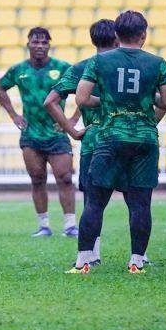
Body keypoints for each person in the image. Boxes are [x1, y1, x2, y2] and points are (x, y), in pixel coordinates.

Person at [68, 10, 166, 275]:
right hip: (144, 139)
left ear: (116, 35)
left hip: (109, 137)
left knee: (95, 201)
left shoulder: (100, 61)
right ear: (143, 35)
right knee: (140, 203)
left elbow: (81, 99)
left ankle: (83, 261)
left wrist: (108, 103)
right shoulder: (158, 63)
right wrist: (146, 102)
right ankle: (137, 260)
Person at [44, 19, 118, 262]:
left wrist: (73, 131)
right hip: (129, 136)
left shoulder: (82, 67)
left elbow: (50, 102)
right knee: (137, 199)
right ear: (118, 38)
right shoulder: (130, 67)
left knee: (92, 201)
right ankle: (139, 256)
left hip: (94, 140)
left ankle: (91, 254)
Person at [0, 27, 75, 237]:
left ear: (49, 45)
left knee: (65, 178)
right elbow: (0, 87)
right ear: (28, 44)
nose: (40, 46)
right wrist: (13, 115)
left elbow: (85, 90)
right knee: (37, 179)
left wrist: (72, 120)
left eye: (44, 43)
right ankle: (44, 226)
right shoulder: (19, 70)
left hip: (57, 133)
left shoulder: (63, 68)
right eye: (35, 42)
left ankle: (70, 225)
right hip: (31, 135)